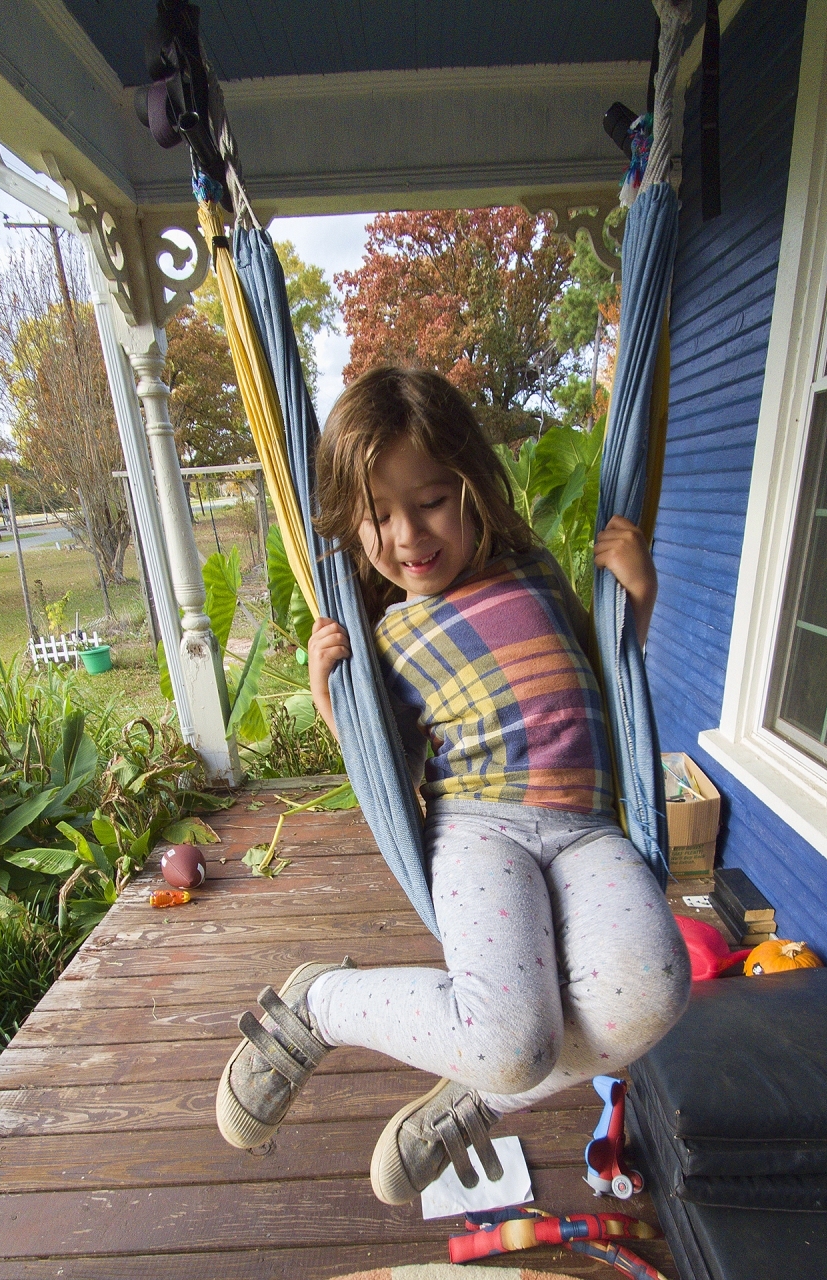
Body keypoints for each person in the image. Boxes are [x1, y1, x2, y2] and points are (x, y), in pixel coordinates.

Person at [216, 367, 690, 1205]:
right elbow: (388, 771)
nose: (408, 535)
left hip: (586, 827)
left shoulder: (533, 568)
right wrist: (335, 701)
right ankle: (319, 1006)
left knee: (651, 992)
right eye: (379, 516)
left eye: (430, 499)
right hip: (480, 831)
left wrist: (637, 600)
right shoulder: (385, 633)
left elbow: (601, 673)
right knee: (514, 1039)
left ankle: (481, 1090)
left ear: (473, 486)